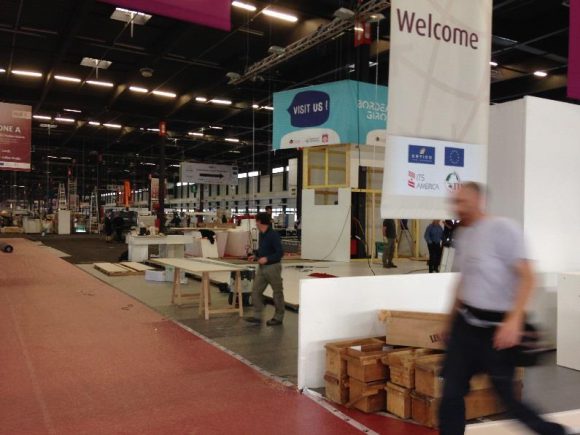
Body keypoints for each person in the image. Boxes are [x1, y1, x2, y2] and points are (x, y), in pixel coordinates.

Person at [439, 182, 569, 435]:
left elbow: (528, 277)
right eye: (454, 202)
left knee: (508, 400)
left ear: (478, 201)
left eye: (463, 202)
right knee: (451, 391)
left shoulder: (503, 229)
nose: (457, 208)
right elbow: (464, 281)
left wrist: (514, 320)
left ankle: (557, 433)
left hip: (497, 329)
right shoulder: (464, 235)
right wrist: (449, 320)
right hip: (466, 326)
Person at [245, 213, 285, 326]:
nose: (255, 223)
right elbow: (263, 249)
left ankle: (278, 317)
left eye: (256, 221)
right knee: (255, 291)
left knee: (277, 292)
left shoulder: (273, 235)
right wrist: (256, 255)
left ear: (259, 222)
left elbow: (280, 253)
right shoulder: (262, 234)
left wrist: (267, 259)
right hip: (262, 268)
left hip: (273, 267)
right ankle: (257, 316)